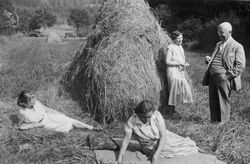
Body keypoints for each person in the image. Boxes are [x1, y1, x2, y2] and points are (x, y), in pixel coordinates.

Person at [115, 100, 198, 164]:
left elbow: (163, 135)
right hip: (149, 147)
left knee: (188, 145)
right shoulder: (132, 122)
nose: (147, 119)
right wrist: (119, 159)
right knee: (173, 152)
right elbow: (125, 142)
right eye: (144, 117)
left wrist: (157, 154)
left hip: (164, 140)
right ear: (138, 114)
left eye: (149, 117)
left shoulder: (157, 115)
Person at [202, 22, 246, 123]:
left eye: (221, 32)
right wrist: (209, 60)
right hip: (212, 76)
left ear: (229, 32)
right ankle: (214, 123)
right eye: (218, 32)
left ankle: (223, 124)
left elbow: (240, 65)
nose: (219, 34)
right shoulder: (218, 44)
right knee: (213, 102)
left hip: (224, 78)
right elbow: (217, 58)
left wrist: (227, 76)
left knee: (223, 101)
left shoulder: (237, 46)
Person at [16, 90, 102, 133]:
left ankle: (91, 127)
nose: (35, 99)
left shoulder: (36, 103)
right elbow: (21, 126)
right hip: (45, 125)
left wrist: (60, 114)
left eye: (34, 97)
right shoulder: (23, 112)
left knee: (68, 119)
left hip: (48, 117)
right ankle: (90, 128)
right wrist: (36, 125)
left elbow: (47, 109)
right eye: (32, 99)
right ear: (26, 103)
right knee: (68, 123)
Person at [165, 31, 193, 115]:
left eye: (181, 37)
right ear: (174, 39)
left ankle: (173, 111)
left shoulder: (180, 47)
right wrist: (178, 64)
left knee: (178, 91)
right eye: (178, 38)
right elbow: (167, 61)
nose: (181, 39)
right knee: (173, 90)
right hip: (172, 71)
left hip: (180, 71)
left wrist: (185, 63)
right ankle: (170, 112)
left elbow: (181, 60)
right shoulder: (170, 47)